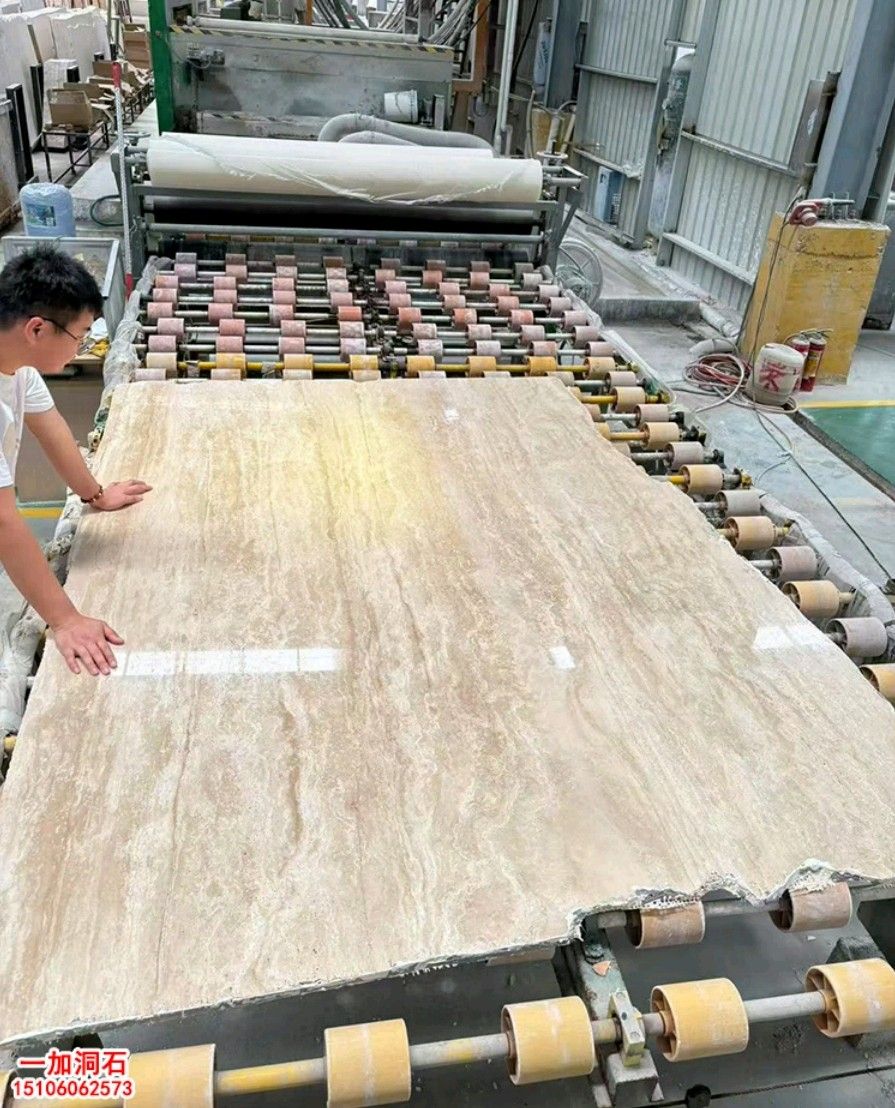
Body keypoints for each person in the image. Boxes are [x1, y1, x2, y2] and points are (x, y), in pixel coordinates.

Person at [0, 246, 151, 677]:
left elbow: (54, 433)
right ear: (37, 329)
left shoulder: (19, 369)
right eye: (80, 335)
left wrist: (95, 495)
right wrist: (65, 620)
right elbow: (4, 522)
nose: (83, 345)